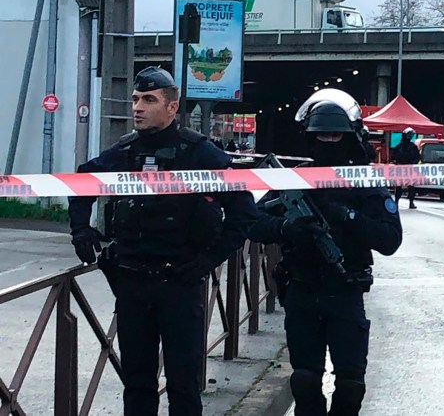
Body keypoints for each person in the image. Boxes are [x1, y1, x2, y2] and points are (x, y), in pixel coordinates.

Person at [67, 66, 311, 416]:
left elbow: (243, 213)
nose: (137, 106)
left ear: (171, 107)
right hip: (132, 283)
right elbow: (80, 181)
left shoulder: (201, 154)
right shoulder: (125, 151)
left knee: (184, 387)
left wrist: (210, 259)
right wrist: (80, 228)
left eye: (149, 100)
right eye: (135, 99)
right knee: (137, 387)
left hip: (179, 285)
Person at [254, 89, 403, 416]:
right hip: (302, 290)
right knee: (305, 382)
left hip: (345, 291)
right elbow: (253, 221)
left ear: (351, 138)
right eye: (321, 136)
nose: (328, 142)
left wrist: (345, 215)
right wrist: (286, 228)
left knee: (350, 385)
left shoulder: (364, 182)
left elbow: (391, 238)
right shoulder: (293, 179)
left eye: (335, 135)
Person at [391, 127, 421, 209]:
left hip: (409, 168)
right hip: (401, 168)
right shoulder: (399, 147)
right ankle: (397, 202)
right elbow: (393, 157)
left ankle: (410, 202)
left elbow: (417, 157)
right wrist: (396, 162)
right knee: (400, 187)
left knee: (410, 187)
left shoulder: (412, 147)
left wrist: (412, 163)